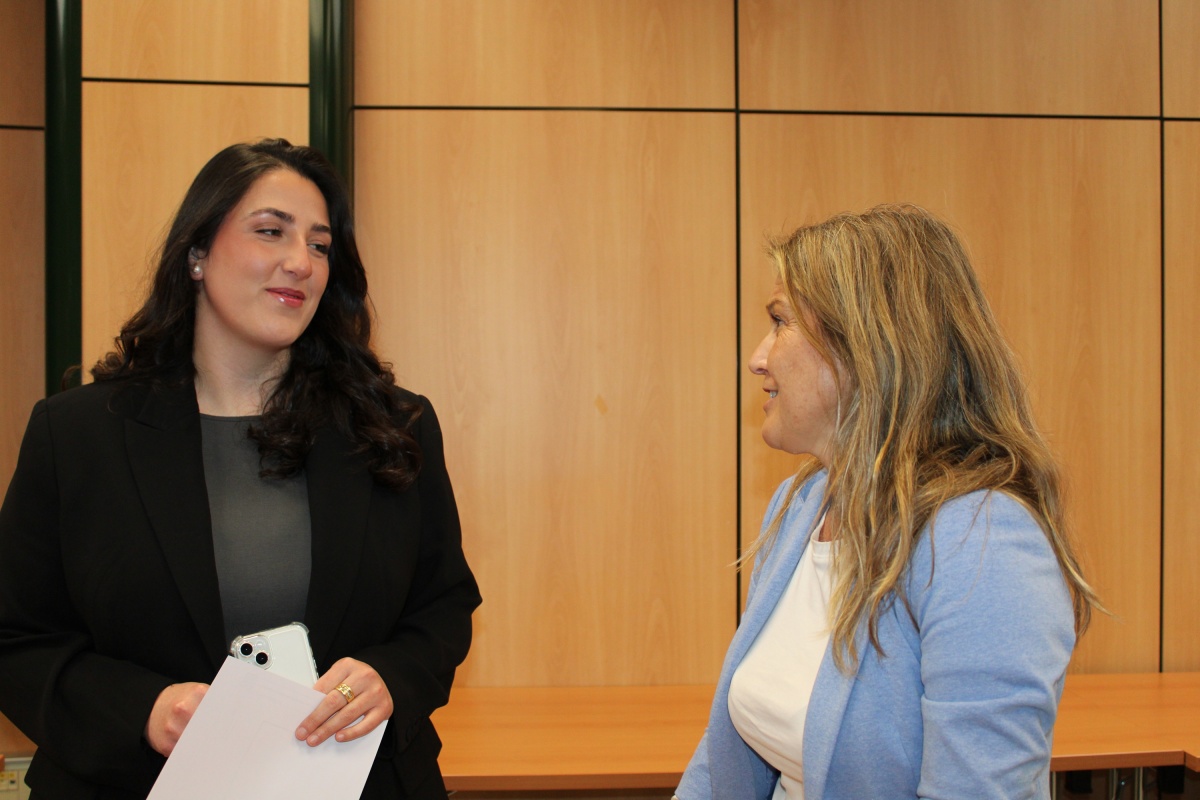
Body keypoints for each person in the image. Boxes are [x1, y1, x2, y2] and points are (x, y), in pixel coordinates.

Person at [0, 138, 481, 799]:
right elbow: (17, 639)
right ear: (196, 253)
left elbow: (444, 608)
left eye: (319, 245)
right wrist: (144, 710)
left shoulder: (394, 426)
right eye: (270, 231)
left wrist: (388, 679)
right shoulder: (78, 434)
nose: (301, 262)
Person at [676, 205, 1100, 800]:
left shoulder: (981, 541)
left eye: (780, 321)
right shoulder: (801, 506)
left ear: (866, 346)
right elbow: (722, 761)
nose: (758, 357)